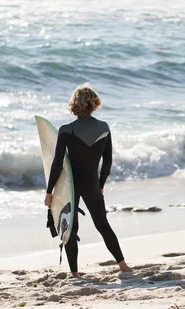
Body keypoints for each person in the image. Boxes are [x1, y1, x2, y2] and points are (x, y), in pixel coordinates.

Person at [44, 83, 132, 278]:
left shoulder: (66, 130)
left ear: (75, 104)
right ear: (94, 104)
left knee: (70, 229)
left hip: (71, 186)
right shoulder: (104, 128)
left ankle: (74, 273)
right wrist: (101, 184)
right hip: (92, 183)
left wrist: (49, 191)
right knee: (103, 225)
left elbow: (57, 164)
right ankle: (123, 265)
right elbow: (107, 160)